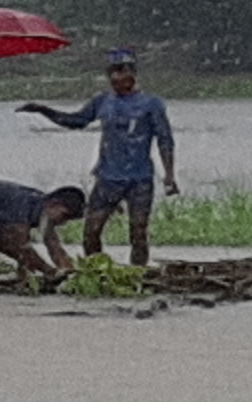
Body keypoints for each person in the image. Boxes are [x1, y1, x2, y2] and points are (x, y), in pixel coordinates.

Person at [20, 47, 178, 265]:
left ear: (132, 73)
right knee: (92, 230)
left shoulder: (151, 104)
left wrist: (169, 175)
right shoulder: (103, 101)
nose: (115, 77)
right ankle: (97, 269)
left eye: (121, 71)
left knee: (138, 231)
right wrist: (43, 110)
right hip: (108, 177)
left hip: (139, 177)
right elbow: (76, 121)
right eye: (111, 72)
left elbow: (165, 139)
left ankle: (139, 272)